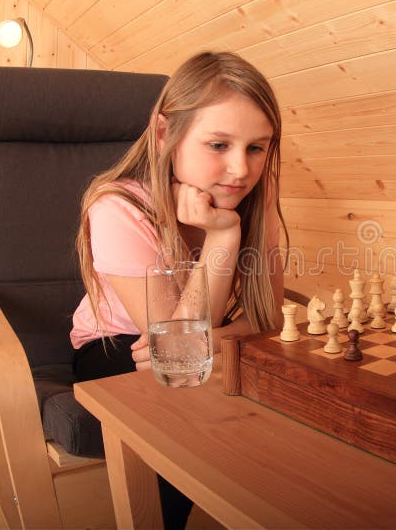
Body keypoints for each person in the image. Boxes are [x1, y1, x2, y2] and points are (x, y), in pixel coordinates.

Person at [70, 51, 287, 529]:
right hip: (113, 348)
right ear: (166, 133)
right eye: (218, 144)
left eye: (256, 148)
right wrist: (223, 235)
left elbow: (267, 319)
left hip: (204, 337)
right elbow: (180, 358)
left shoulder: (259, 197)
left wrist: (212, 342)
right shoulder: (118, 208)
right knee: (182, 404)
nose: (240, 170)